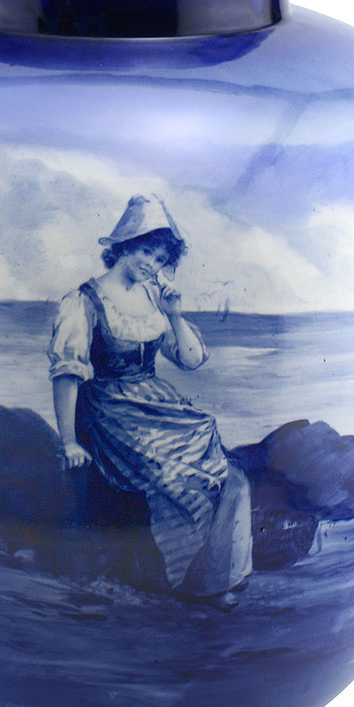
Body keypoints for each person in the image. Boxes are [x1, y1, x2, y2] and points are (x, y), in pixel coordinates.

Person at [48, 194, 252, 604]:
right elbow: (67, 375)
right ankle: (182, 581)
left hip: (157, 404)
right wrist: (69, 441)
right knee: (177, 482)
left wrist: (174, 314)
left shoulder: (155, 296)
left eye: (160, 258)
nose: (151, 264)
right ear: (124, 245)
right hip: (109, 409)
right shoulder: (84, 301)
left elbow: (191, 360)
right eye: (146, 252)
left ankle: (213, 580)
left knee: (229, 477)